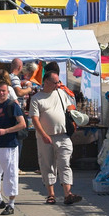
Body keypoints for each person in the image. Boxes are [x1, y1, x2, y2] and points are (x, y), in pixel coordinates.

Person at [29, 65, 81, 205]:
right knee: (48, 165)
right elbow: (34, 119)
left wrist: (75, 113)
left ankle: (67, 194)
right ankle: (51, 194)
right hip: (45, 137)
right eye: (55, 82)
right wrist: (43, 134)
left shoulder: (61, 93)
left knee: (65, 164)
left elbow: (70, 107)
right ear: (46, 82)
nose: (58, 84)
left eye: (58, 82)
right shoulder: (37, 98)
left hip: (62, 135)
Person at [0, 80, 26, 215]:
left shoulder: (12, 105)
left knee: (10, 175)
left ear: (8, 92)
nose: (1, 93)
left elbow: (23, 124)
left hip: (9, 145)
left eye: (4, 91)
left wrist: (6, 131)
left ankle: (11, 204)